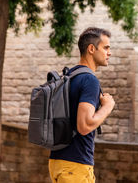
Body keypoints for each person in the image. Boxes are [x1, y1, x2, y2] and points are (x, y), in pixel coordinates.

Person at [48, 27, 115, 183]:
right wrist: (108, 106)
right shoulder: (89, 80)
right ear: (91, 49)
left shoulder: (70, 76)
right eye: (106, 48)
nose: (109, 53)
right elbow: (84, 125)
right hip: (75, 165)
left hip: (59, 161)